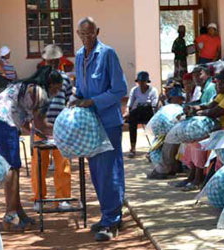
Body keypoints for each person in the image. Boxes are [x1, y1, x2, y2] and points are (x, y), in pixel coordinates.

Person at [0, 66, 63, 232]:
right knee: (11, 169)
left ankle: (18, 212)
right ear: (49, 84)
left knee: (15, 168)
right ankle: (10, 217)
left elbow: (29, 125)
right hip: (3, 123)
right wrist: (62, 129)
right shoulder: (39, 93)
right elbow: (40, 124)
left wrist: (41, 132)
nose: (56, 92)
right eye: (56, 88)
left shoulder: (27, 87)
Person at [70, 17, 127, 241]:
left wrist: (93, 101)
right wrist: (75, 99)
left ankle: (111, 221)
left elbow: (119, 90)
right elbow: (81, 89)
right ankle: (108, 214)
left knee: (109, 171)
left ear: (97, 32)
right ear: (77, 34)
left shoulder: (108, 54)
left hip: (109, 123)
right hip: (90, 125)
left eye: (90, 33)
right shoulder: (77, 56)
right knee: (96, 173)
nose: (86, 38)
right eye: (82, 34)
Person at [29, 45, 73, 211]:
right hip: (41, 128)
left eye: (55, 61)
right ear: (45, 61)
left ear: (59, 61)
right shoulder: (37, 79)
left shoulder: (66, 79)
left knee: (63, 164)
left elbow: (69, 102)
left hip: (60, 128)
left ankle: (62, 198)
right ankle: (38, 198)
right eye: (50, 61)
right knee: (39, 165)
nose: (53, 63)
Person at [123, 71, 158, 158]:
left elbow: (154, 105)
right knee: (132, 120)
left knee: (140, 110)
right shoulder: (134, 90)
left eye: (143, 81)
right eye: (140, 81)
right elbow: (130, 104)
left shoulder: (153, 90)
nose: (141, 83)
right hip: (137, 113)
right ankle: (133, 148)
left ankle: (154, 148)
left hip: (149, 112)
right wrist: (127, 111)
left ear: (147, 81)